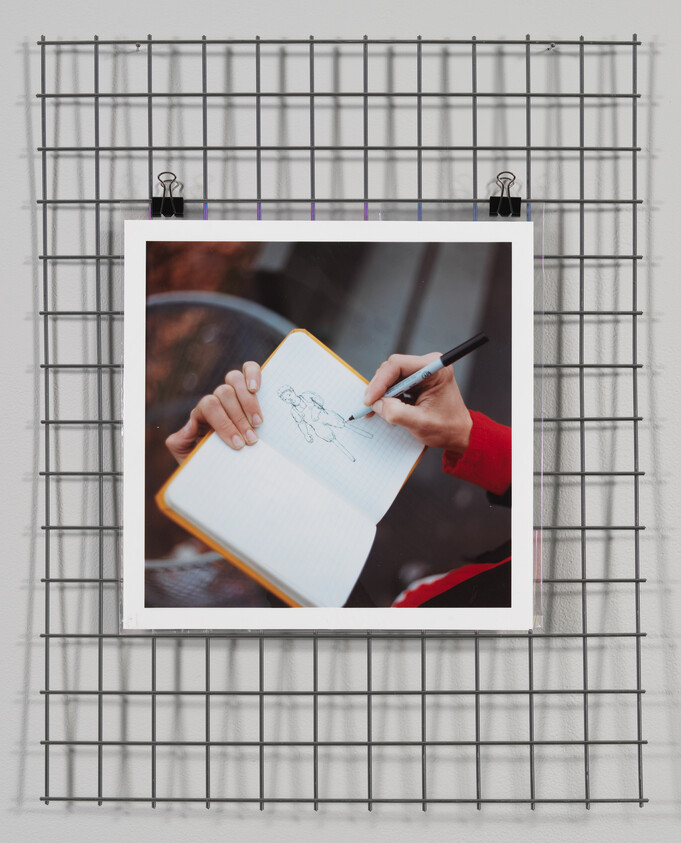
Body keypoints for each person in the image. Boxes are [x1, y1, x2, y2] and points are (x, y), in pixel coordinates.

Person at [165, 353, 511, 608]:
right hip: (462, 581)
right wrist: (464, 432)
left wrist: (254, 525)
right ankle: (418, 581)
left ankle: (417, 584)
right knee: (429, 585)